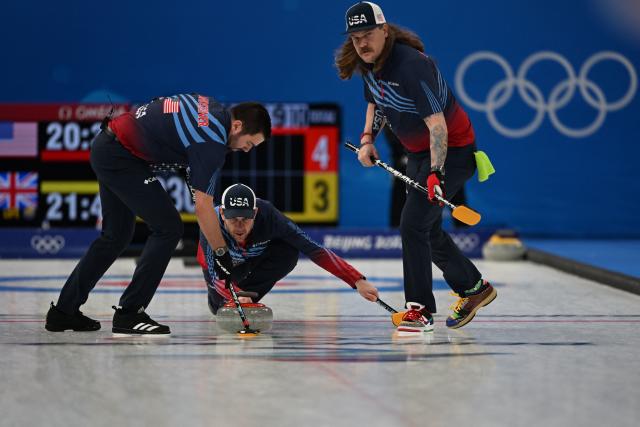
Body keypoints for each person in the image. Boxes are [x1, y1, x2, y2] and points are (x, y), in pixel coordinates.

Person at [45, 94, 271, 335]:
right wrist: (222, 253)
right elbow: (203, 206)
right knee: (169, 228)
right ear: (237, 126)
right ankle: (130, 312)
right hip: (121, 156)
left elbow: (187, 162)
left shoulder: (211, 108)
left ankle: (63, 312)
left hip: (108, 145)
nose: (246, 150)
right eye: (249, 143)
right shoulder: (212, 141)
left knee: (116, 236)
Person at [335, 2, 496, 331]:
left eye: (368, 35)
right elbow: (374, 101)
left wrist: (436, 173)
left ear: (384, 31)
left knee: (412, 224)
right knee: (427, 227)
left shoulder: (411, 66)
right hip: (420, 154)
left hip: (454, 150)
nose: (362, 43)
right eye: (355, 38)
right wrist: (368, 139)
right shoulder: (369, 64)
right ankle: (474, 288)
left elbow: (438, 126)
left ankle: (419, 310)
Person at [197, 183, 379, 314]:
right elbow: (216, 277)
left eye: (245, 219)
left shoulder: (270, 216)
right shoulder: (210, 224)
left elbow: (314, 250)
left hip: (255, 258)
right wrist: (235, 295)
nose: (240, 227)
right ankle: (236, 298)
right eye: (233, 220)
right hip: (222, 266)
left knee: (289, 252)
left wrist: (356, 280)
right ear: (222, 213)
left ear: (255, 213)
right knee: (218, 308)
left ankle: (247, 298)